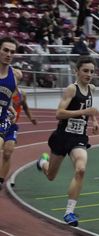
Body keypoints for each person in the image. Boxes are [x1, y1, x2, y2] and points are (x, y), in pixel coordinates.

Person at [36, 56, 99, 227]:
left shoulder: (92, 88)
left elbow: (89, 107)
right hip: (62, 136)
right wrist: (85, 111)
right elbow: (59, 113)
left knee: (81, 169)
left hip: (79, 138)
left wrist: (93, 119)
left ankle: (69, 212)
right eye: (85, 71)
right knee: (50, 175)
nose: (89, 74)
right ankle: (42, 162)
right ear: (76, 71)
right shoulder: (71, 89)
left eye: (91, 71)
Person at [0, 88, 37, 189]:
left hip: (11, 127)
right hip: (1, 123)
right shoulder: (2, 89)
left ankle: (1, 180)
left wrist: (31, 117)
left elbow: (25, 107)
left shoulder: (22, 94)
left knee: (8, 152)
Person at [0, 36, 22, 187]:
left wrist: (10, 106)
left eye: (12, 52)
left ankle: (0, 181)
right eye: (5, 50)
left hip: (4, 119)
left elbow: (11, 94)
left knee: (8, 151)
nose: (9, 54)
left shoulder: (16, 75)